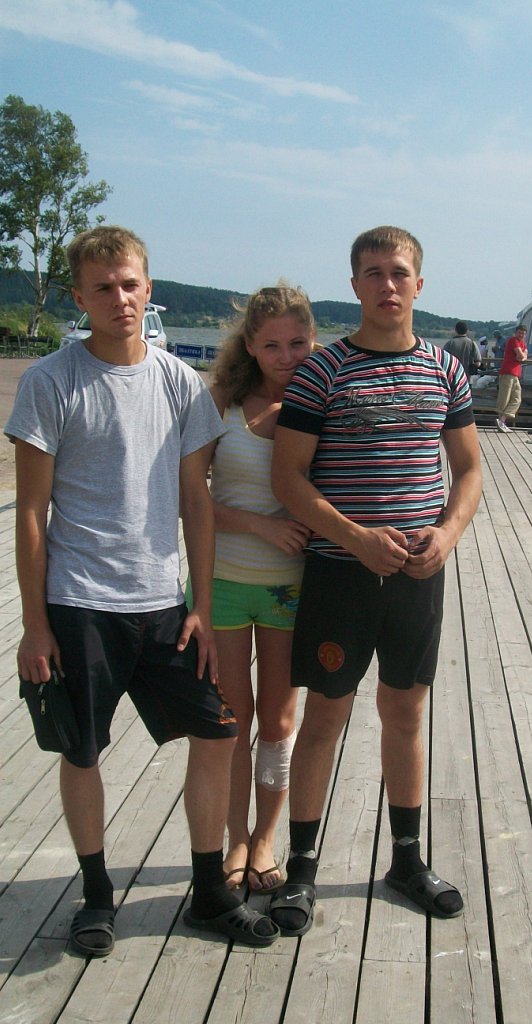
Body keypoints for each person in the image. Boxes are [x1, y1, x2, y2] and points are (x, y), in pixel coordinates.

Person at [6, 225, 279, 956]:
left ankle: (210, 892)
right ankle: (97, 895)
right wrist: (35, 624)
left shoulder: (179, 383)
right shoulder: (50, 382)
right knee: (82, 751)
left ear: (148, 288)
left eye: (130, 285)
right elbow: (30, 511)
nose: (119, 299)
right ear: (80, 297)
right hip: (78, 602)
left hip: (164, 603)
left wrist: (200, 604)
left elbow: (196, 500)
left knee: (219, 733)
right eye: (103, 288)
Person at [266, 225, 482, 937]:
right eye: (373, 273)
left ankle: (407, 861)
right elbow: (288, 478)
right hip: (340, 575)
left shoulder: (445, 371)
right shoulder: (323, 372)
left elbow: (469, 470)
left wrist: (447, 535)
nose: (387, 285)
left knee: (406, 713)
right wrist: (355, 538)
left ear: (419, 283)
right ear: (355, 284)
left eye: (399, 272)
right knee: (325, 716)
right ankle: (301, 870)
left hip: (418, 575)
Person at [191, 285, 313, 896]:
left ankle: (267, 836)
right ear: (249, 347)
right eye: (271, 346)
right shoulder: (221, 402)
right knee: (232, 719)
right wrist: (261, 525)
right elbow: (191, 498)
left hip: (292, 589)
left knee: (280, 718)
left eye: (297, 343)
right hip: (226, 583)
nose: (286, 357)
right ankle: (235, 836)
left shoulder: (319, 403)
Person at [496, 324, 528, 432]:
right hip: (507, 372)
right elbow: (521, 356)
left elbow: (524, 355)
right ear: (516, 332)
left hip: (515, 374)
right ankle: (501, 421)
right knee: (504, 398)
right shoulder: (513, 340)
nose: (521, 335)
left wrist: (523, 356)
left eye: (523, 333)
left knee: (517, 399)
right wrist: (523, 356)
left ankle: (502, 420)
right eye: (519, 333)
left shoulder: (522, 343)